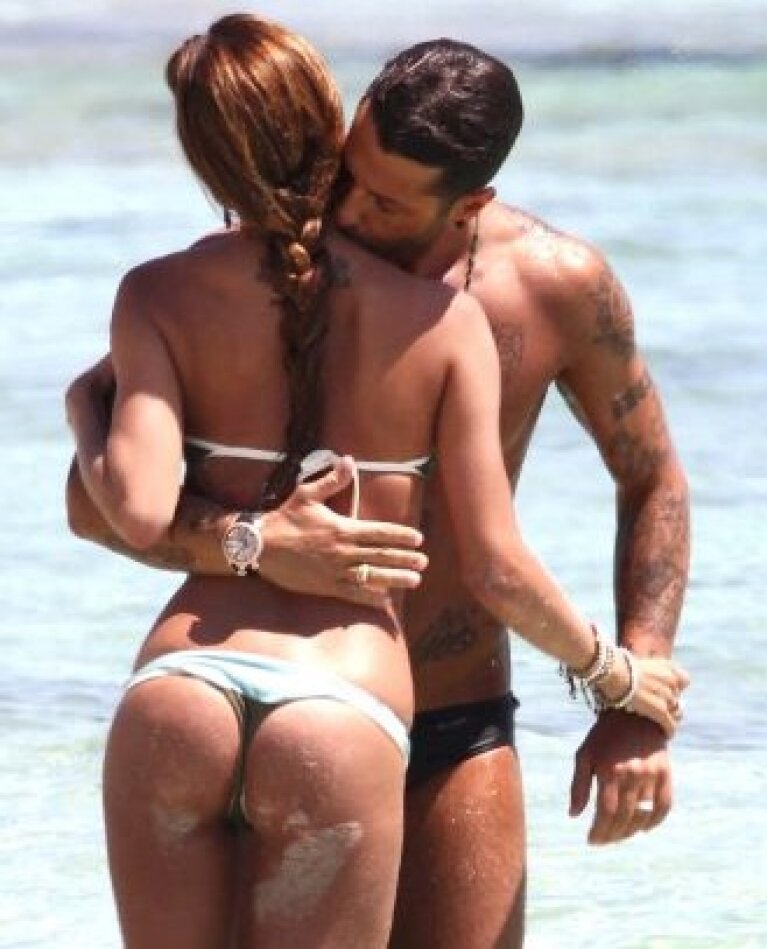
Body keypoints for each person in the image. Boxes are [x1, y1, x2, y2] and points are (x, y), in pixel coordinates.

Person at [66, 34, 691, 949]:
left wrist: (633, 697)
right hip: (308, 697)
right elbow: (98, 506)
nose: (347, 209)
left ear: (469, 203)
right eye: (346, 174)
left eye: (385, 200)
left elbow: (652, 476)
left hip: (452, 715)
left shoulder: (552, 286)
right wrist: (252, 540)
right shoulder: (260, 263)